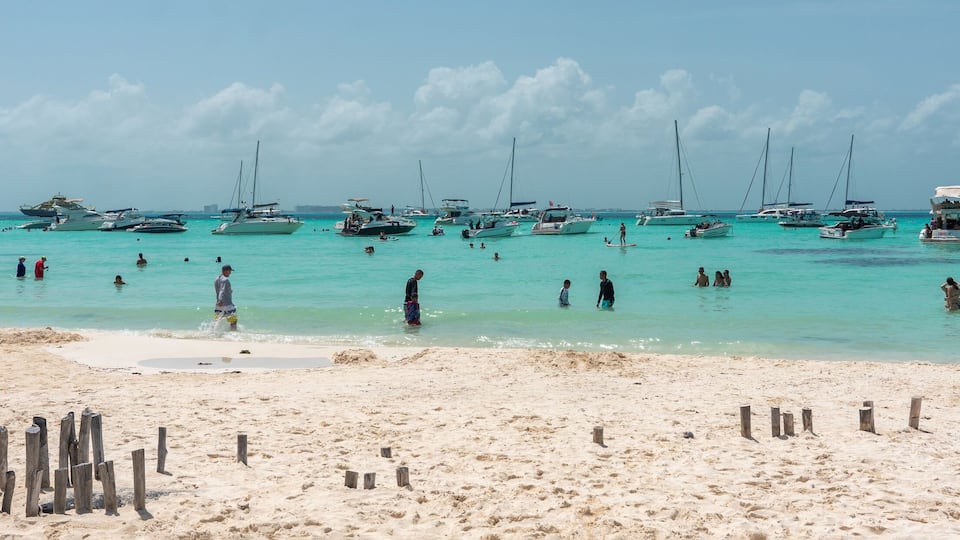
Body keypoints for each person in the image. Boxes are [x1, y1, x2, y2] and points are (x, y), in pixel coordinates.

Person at [214, 264, 238, 330]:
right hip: (226, 304)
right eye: (229, 271)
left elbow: (219, 290)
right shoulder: (226, 280)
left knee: (217, 321)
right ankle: (233, 333)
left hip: (218, 305)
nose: (230, 273)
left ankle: (212, 332)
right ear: (225, 271)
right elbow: (222, 290)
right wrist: (220, 300)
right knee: (234, 320)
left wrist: (229, 291)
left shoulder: (216, 279)